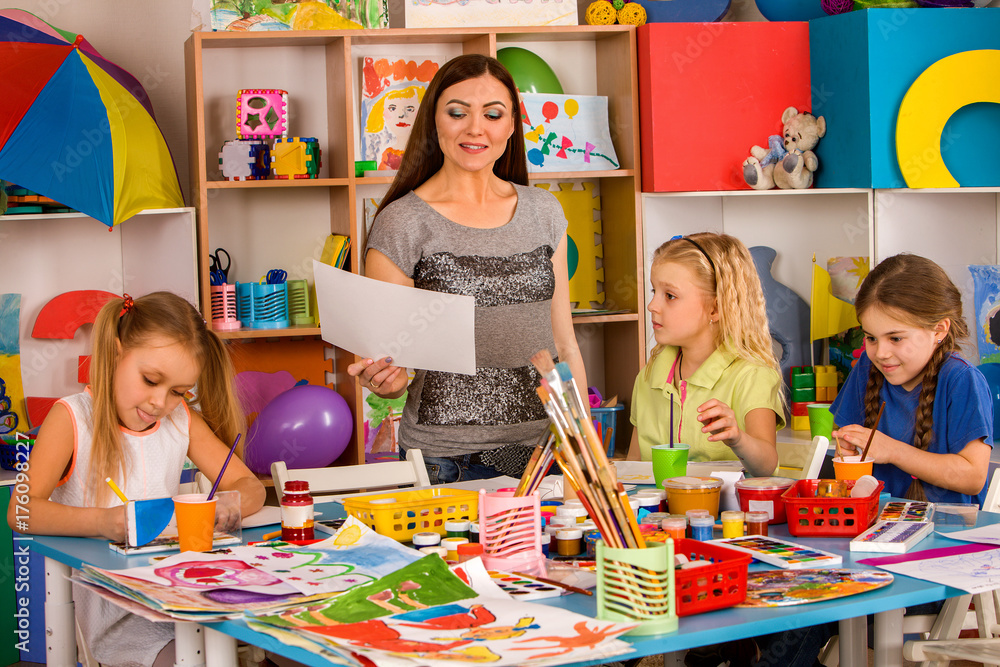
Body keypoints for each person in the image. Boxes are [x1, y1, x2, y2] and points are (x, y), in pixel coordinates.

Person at [347, 54, 588, 484]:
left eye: (493, 115)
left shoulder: (544, 212)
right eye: (457, 112)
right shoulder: (403, 222)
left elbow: (564, 344)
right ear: (434, 121)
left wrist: (582, 440)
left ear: (512, 125)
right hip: (445, 461)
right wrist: (386, 381)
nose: (475, 128)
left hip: (543, 450)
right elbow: (393, 370)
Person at [752, 253, 993, 667]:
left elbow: (972, 477)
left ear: (939, 330)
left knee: (808, 612)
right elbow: (842, 453)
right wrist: (845, 453)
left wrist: (888, 450)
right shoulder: (870, 371)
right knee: (782, 598)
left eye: (895, 338)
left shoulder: (960, 379)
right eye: (870, 337)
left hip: (934, 559)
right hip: (863, 543)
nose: (881, 351)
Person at [7, 292, 266, 667]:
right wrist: (105, 522)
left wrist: (226, 506)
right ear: (115, 354)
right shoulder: (71, 419)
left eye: (178, 392)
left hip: (187, 592)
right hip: (121, 613)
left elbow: (250, 486)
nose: (160, 402)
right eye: (150, 380)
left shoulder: (182, 422)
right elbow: (21, 512)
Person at [626, 232, 785, 478]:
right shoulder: (648, 377)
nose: (652, 306)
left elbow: (766, 465)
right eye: (653, 291)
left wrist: (738, 438)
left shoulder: (752, 374)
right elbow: (632, 467)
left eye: (670, 296)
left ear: (716, 308)